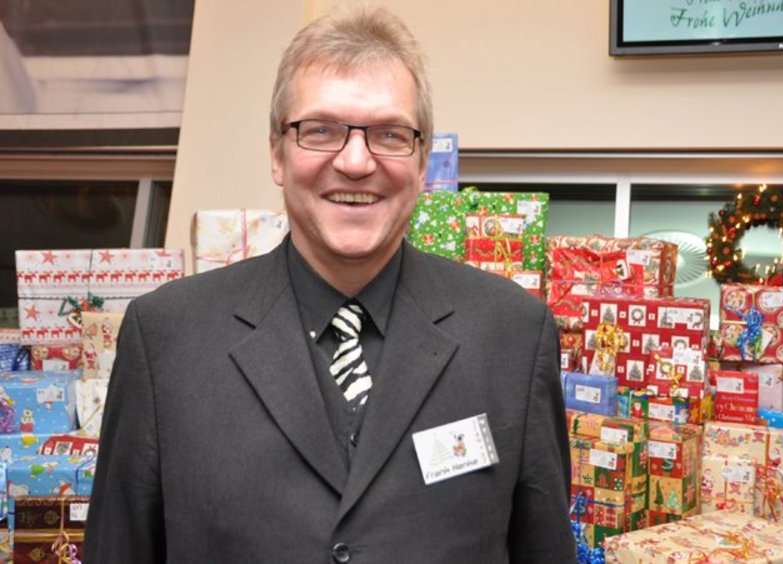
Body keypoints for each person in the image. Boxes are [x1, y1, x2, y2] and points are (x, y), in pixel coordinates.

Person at [84, 6, 574, 562]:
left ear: (421, 163)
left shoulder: (513, 335)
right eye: (320, 130)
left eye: (390, 134)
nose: (357, 162)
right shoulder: (166, 337)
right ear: (277, 154)